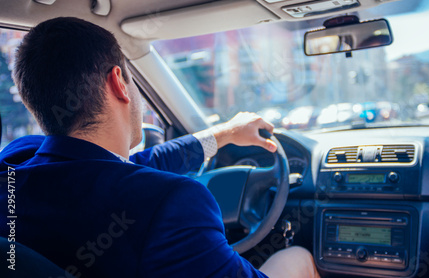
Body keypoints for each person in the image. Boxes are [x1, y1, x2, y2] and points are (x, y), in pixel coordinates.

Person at [0, 17, 319, 278]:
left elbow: (125, 169)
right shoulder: (174, 205)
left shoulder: (14, 165)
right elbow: (131, 182)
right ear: (119, 83)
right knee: (299, 257)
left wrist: (223, 134)